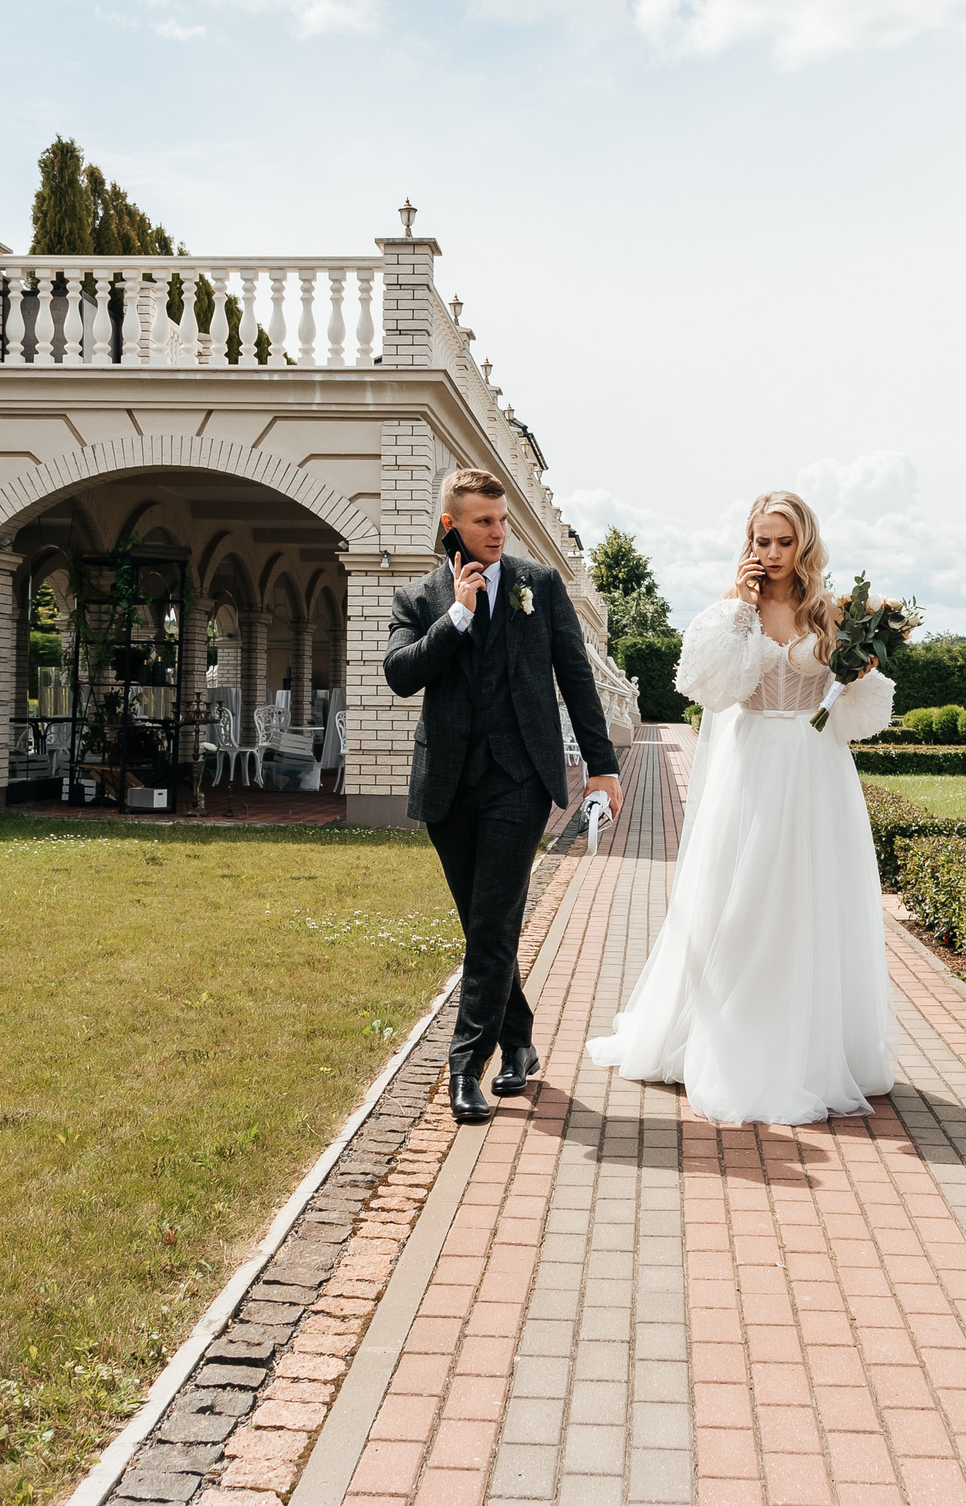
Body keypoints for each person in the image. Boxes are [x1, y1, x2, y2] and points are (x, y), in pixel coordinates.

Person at [584, 490, 899, 1125]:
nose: (773, 553)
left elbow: (859, 714)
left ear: (804, 543)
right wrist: (740, 612)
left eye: (784, 541)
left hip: (817, 772)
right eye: (762, 541)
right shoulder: (731, 613)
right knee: (743, 903)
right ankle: (731, 1038)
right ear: (748, 545)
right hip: (752, 767)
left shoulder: (833, 614)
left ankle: (812, 1049)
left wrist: (862, 668)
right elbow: (712, 689)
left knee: (811, 902)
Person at [384, 469, 623, 1123]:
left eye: (502, 519)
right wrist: (457, 616)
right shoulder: (418, 598)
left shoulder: (538, 587)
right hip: (449, 785)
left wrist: (604, 767)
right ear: (449, 527)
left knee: (491, 925)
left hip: (520, 779)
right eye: (483, 521)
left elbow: (577, 679)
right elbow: (401, 675)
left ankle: (466, 1068)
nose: (497, 530)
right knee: (482, 925)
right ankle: (517, 1037)